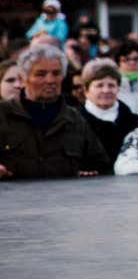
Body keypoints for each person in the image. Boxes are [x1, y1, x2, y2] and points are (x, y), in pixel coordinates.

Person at [0, 45, 109, 179]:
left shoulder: (74, 119)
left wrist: (89, 173)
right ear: (23, 79)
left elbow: (101, 166)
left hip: (64, 198)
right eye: (41, 74)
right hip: (14, 198)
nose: (50, 80)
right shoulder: (3, 115)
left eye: (56, 73)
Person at [78, 60, 138, 167]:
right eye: (99, 85)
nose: (106, 90)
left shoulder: (135, 123)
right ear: (86, 90)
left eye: (111, 85)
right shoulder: (74, 123)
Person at [115, 39, 138, 120]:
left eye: (136, 59)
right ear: (118, 64)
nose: (132, 63)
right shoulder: (112, 92)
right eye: (126, 59)